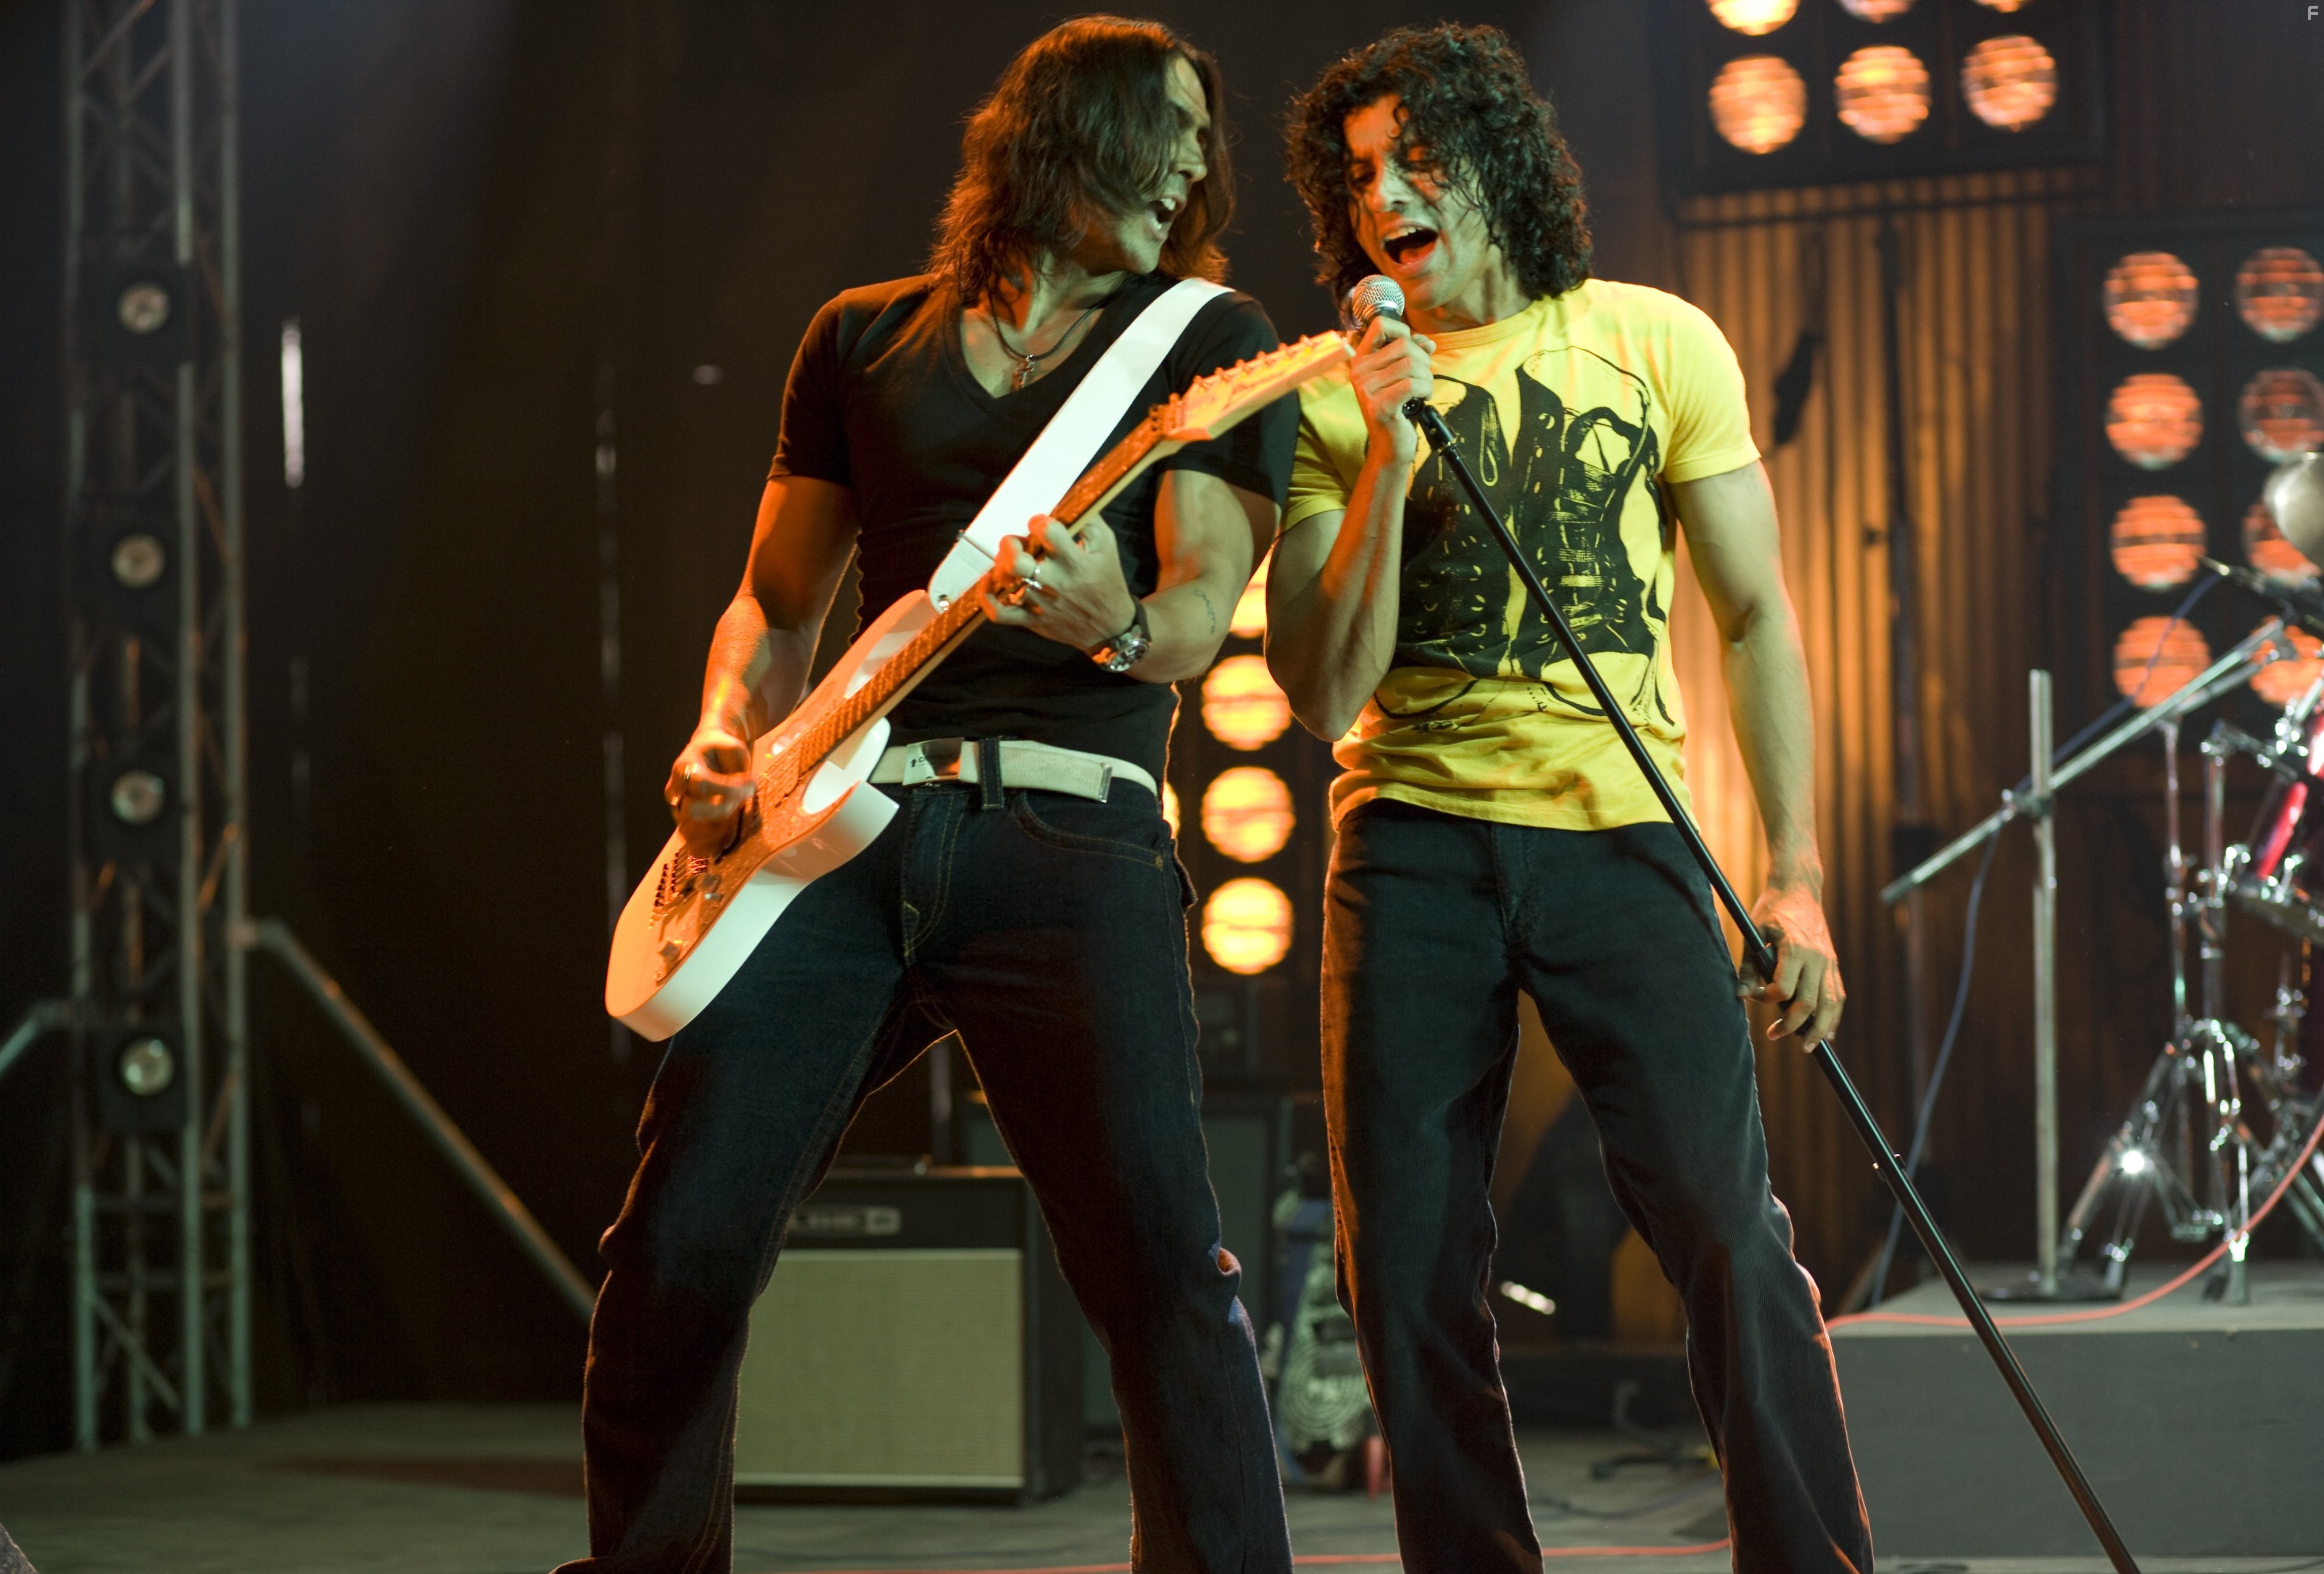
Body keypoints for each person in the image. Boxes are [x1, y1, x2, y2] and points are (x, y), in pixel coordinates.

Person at [560, 18, 1297, 1572]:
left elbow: (1194, 616)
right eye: (1165, 129)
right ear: (1062, 133)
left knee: (1161, 1266)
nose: (1192, 166)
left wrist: (1112, 616)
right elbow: (777, 605)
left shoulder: (1208, 341)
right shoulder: (857, 338)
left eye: (1202, 142)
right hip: (835, 836)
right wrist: (721, 733)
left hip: (1067, 833)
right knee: (678, 1240)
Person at [1265, 25, 1872, 1573]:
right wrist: (1388, 448)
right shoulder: (1327, 399)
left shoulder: (1655, 340)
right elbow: (1323, 690)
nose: (1387, 196)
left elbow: (1755, 614)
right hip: (1410, 850)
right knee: (1407, 1263)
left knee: (1724, 1228)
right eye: (1360, 175)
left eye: (1418, 160)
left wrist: (1796, 874)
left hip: (1621, 836)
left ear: (1500, 163)